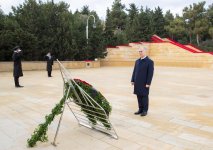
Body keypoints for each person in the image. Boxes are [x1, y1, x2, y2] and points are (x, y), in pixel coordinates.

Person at [131, 46, 154, 116]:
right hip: (137, 82)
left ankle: (145, 110)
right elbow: (134, 71)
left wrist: (148, 83)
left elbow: (150, 73)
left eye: (141, 51)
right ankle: (140, 109)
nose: (140, 53)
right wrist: (132, 80)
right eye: (139, 51)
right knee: (138, 96)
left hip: (144, 83)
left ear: (145, 51)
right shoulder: (137, 61)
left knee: (144, 96)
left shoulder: (149, 62)